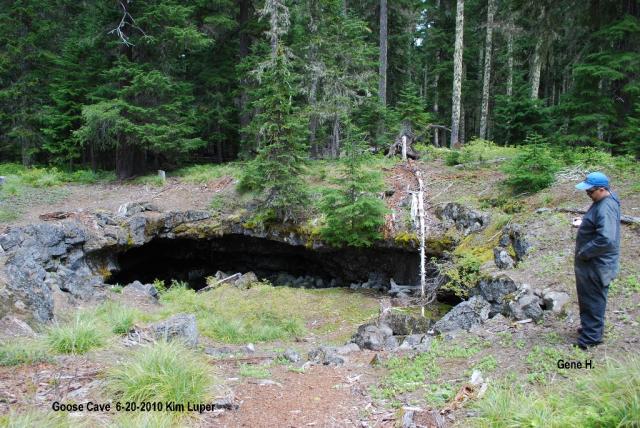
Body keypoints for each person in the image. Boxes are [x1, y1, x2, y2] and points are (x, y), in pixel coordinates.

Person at [572, 172, 621, 350]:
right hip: (593, 262)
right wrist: (585, 222)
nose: (588, 195)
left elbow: (606, 239)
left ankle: (591, 338)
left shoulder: (605, 207)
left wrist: (585, 252)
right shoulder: (604, 201)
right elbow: (601, 224)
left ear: (602, 189)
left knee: (593, 299)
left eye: (590, 192)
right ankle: (589, 328)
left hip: (597, 264)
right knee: (587, 297)